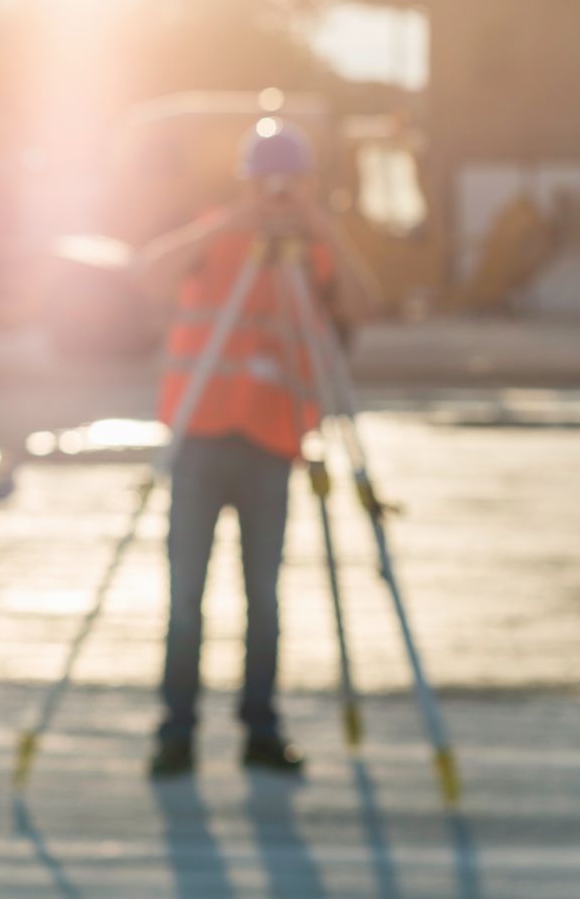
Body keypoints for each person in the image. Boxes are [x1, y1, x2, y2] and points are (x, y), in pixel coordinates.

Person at [137, 123, 379, 778]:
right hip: (200, 437)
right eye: (267, 182)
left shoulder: (314, 254)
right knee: (185, 592)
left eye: (289, 183)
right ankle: (176, 730)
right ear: (245, 181)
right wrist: (233, 223)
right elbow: (149, 275)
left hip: (271, 441)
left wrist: (322, 229)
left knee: (264, 597)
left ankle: (260, 727)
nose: (276, 194)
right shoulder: (213, 235)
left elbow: (365, 303)